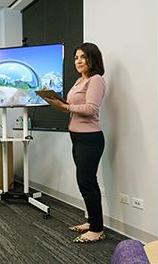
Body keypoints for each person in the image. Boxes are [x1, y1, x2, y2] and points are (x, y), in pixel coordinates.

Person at [44, 42, 107, 243]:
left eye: (83, 57)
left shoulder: (96, 80)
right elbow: (71, 106)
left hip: (90, 138)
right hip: (77, 136)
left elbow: (91, 109)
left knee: (86, 182)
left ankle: (96, 230)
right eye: (76, 57)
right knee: (88, 182)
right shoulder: (80, 81)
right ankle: (92, 221)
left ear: (92, 59)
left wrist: (65, 106)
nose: (78, 61)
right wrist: (57, 103)